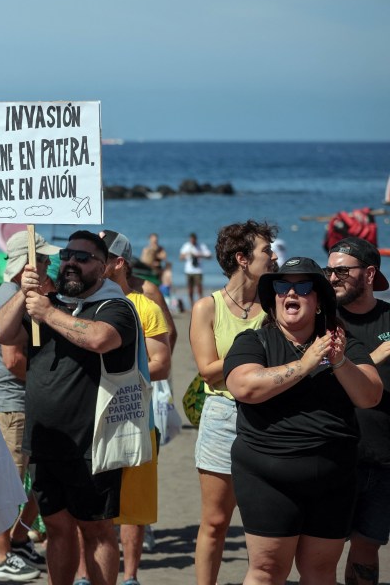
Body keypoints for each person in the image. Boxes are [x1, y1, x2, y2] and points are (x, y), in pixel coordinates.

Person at [0, 230, 140, 585]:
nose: (71, 262)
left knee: (97, 529)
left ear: (103, 268)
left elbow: (99, 338)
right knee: (57, 528)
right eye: (68, 255)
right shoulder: (49, 302)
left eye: (83, 257)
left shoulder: (115, 306)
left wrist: (47, 311)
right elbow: (2, 332)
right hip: (45, 440)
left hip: (92, 442)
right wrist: (25, 295)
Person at [224, 256, 381, 583]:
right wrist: (306, 364)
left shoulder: (344, 346)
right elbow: (244, 386)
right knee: (267, 570)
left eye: (303, 286)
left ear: (319, 301)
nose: (290, 293)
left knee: (320, 572)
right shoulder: (255, 341)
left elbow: (370, 395)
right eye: (282, 286)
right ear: (273, 298)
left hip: (332, 478)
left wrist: (338, 362)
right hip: (267, 476)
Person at [188, 220, 277, 585]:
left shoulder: (275, 305)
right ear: (242, 258)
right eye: (266, 251)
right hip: (223, 414)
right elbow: (209, 372)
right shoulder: (206, 308)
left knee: (269, 521)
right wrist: (254, 351)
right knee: (215, 521)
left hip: (269, 413)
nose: (273, 257)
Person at [0, 230, 56, 581]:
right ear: (25, 263)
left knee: (33, 482)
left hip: (22, 402)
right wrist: (49, 383)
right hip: (11, 404)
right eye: (42, 259)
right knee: (9, 485)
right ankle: (2, 558)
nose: (48, 264)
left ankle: (16, 540)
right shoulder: (9, 296)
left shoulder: (23, 293)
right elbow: (14, 360)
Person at [102, 232, 170, 585]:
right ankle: (88, 573)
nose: (95, 262)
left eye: (103, 256)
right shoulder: (81, 304)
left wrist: (116, 371)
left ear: (120, 263)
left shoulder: (145, 306)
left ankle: (130, 577)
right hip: (94, 422)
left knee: (133, 506)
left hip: (137, 417)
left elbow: (162, 363)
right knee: (94, 505)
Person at [326, 238, 390, 585]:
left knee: (367, 548)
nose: (332, 277)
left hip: (382, 459)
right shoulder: (320, 321)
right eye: (328, 269)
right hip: (331, 455)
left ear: (368, 274)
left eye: (341, 270)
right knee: (322, 549)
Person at [180, 232, 212, 305]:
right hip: (189, 270)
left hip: (198, 270)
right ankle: (192, 304)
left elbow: (209, 256)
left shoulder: (201, 246)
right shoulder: (186, 246)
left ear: (196, 239)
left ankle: (200, 302)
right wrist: (188, 254)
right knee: (190, 288)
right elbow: (181, 257)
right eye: (191, 240)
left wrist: (199, 255)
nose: (192, 241)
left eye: (193, 240)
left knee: (199, 287)